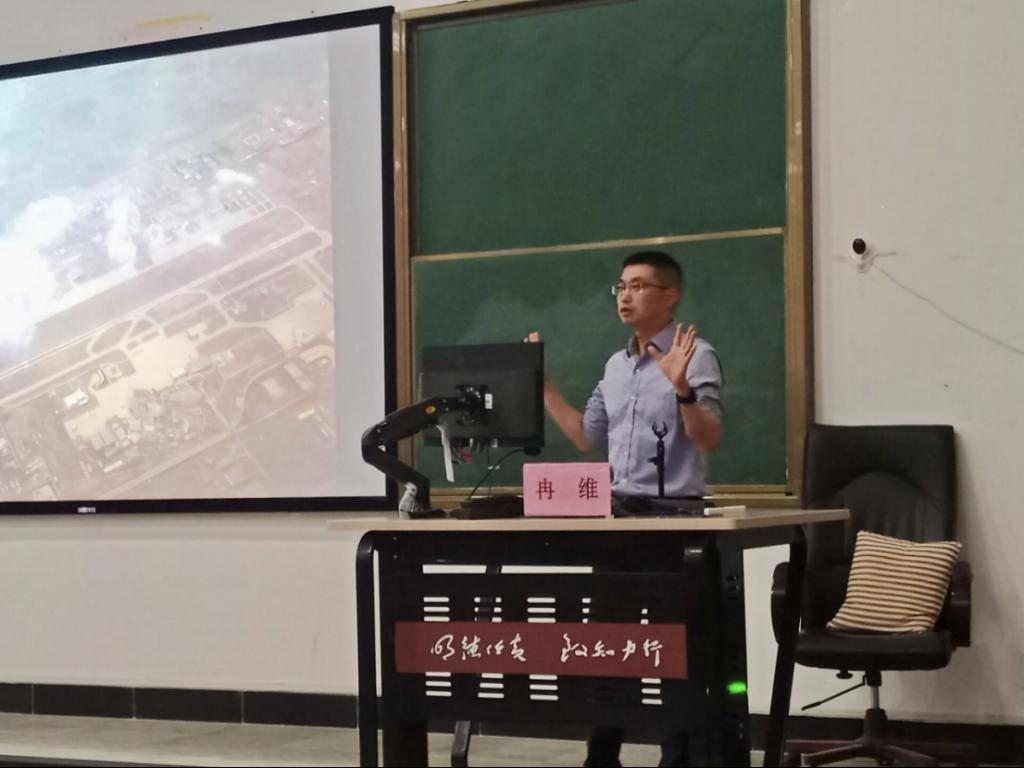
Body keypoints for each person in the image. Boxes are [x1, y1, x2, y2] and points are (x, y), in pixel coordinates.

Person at [527, 250, 723, 768]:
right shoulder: (615, 367)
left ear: (669, 295)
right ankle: (601, 758)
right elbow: (584, 436)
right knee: (607, 649)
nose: (625, 295)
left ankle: (677, 760)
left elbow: (708, 438)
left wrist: (681, 389)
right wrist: (542, 385)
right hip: (616, 522)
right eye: (621, 286)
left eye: (638, 286)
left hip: (674, 524)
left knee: (672, 652)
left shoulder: (696, 355)